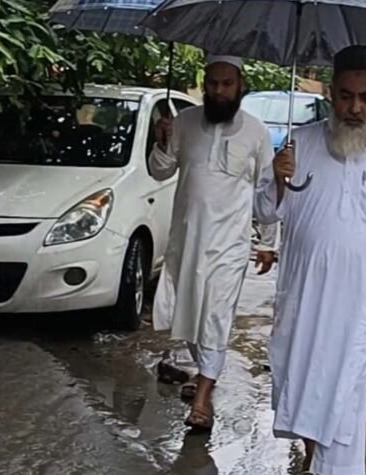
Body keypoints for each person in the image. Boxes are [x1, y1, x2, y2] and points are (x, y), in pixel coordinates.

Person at [254, 45, 366, 475]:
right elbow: (265, 212)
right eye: (346, 96)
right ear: (331, 93)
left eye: (365, 97)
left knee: (347, 394)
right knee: (305, 385)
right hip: (305, 298)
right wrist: (277, 178)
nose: (354, 108)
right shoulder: (301, 143)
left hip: (360, 303)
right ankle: (316, 460)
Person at [149, 54, 277, 431]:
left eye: (227, 84)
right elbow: (160, 171)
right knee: (188, 314)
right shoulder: (184, 123)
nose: (219, 91)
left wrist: (268, 242)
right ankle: (204, 370)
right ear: (204, 85)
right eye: (212, 83)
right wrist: (161, 141)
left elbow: (267, 189)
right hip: (187, 240)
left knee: (216, 317)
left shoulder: (256, 132)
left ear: (240, 86)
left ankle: (203, 396)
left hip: (230, 245)